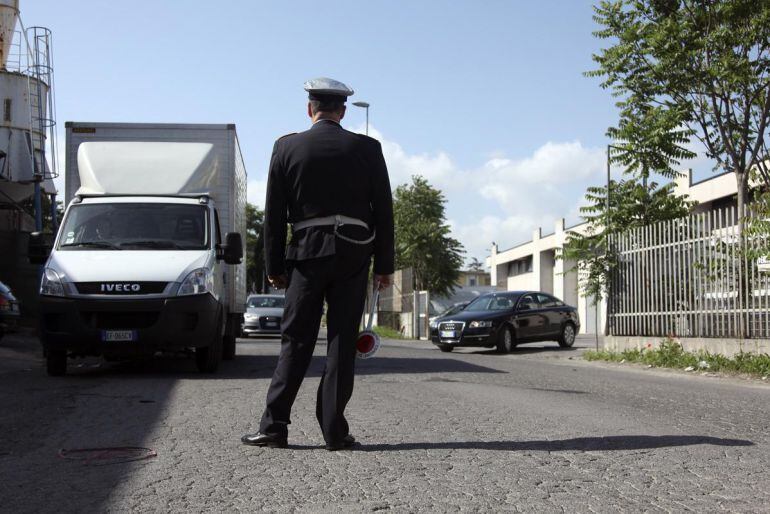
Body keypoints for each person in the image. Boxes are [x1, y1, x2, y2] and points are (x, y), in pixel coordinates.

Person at [242, 77, 395, 451]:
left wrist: (273, 265)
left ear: (310, 109)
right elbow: (384, 210)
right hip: (354, 253)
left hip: (307, 254)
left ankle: (274, 427)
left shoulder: (286, 147)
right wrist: (384, 266)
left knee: (296, 339)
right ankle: (334, 431)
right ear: (342, 112)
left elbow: (274, 214)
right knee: (343, 342)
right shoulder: (369, 148)